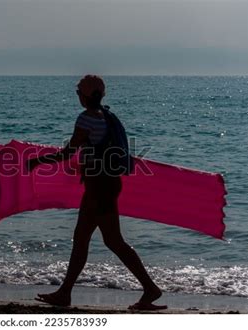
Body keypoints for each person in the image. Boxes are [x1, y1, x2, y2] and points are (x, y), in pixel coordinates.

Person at [26, 75, 166, 310]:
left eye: (79, 92)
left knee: (107, 241)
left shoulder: (87, 118)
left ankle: (150, 288)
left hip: (99, 187)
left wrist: (38, 161)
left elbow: (68, 152)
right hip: (106, 184)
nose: (78, 96)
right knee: (91, 239)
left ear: (86, 95)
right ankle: (65, 292)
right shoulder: (108, 117)